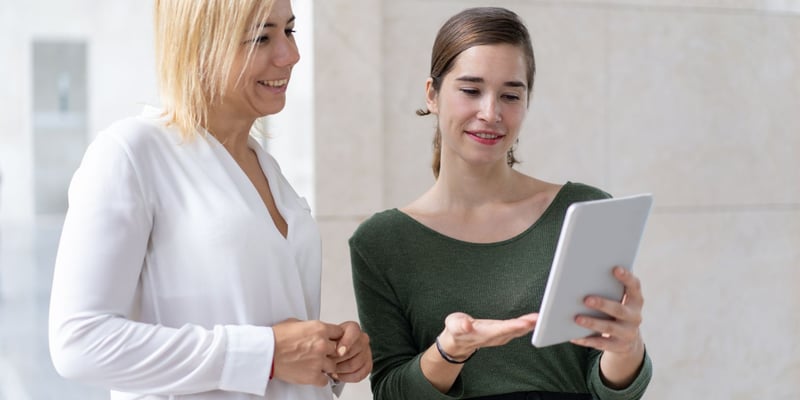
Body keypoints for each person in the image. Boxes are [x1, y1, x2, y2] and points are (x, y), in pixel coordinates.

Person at [48, 1, 371, 399]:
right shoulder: (131, 153)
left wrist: (328, 355)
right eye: (261, 38)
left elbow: (278, 339)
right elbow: (79, 343)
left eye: (289, 31)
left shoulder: (268, 170)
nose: (291, 55)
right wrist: (266, 354)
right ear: (200, 45)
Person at [349, 7, 652, 400]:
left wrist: (626, 346)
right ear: (432, 94)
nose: (490, 113)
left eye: (510, 95)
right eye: (471, 90)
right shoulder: (381, 243)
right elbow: (391, 393)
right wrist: (450, 351)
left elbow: (611, 387)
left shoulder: (583, 211)